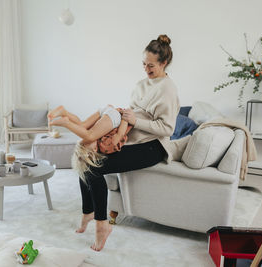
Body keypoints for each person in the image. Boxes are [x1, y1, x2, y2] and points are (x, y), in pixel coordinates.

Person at [72, 34, 180, 251]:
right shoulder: (141, 84)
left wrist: (135, 120)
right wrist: (119, 120)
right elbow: (132, 116)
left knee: (94, 168)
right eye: (143, 64)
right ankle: (88, 213)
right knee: (83, 156)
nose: (146, 69)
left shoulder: (168, 88)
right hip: (132, 139)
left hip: (153, 147)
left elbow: (167, 129)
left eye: (151, 65)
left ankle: (102, 226)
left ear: (164, 63)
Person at [48, 105, 133, 180]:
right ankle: (65, 114)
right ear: (95, 149)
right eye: (87, 143)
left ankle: (66, 120)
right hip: (113, 115)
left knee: (88, 133)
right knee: (83, 127)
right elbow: (120, 135)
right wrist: (125, 117)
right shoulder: (106, 146)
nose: (86, 140)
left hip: (111, 115)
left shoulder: (98, 139)